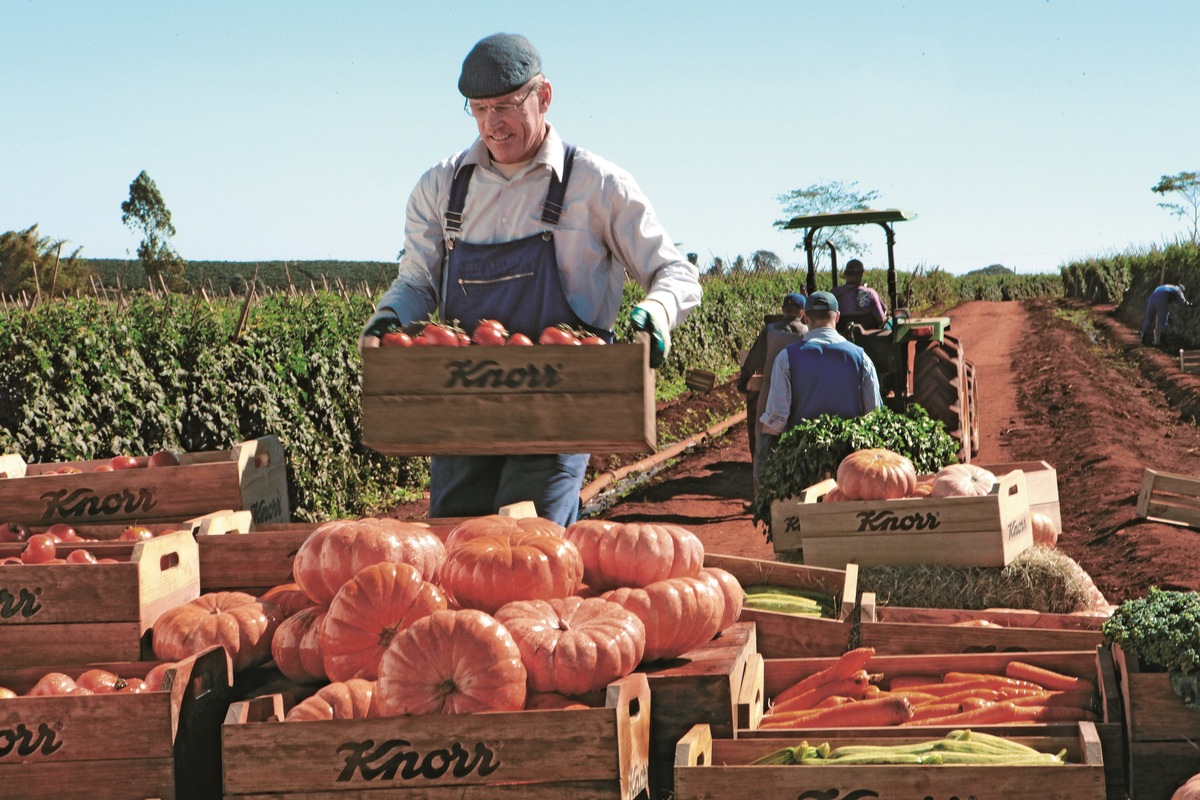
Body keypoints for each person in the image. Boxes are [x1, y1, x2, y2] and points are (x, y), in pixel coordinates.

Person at [358, 33, 702, 527]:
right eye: (477, 109)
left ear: (543, 96)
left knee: (532, 544)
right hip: (463, 404)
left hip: (560, 406)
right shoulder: (441, 186)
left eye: (505, 106)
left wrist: (660, 312)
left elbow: (673, 271)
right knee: (456, 542)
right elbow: (418, 282)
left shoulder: (598, 184)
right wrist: (388, 319)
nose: (491, 124)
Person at [755, 291, 883, 485]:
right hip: (850, 466)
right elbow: (874, 415)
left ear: (805, 317)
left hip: (803, 464)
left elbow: (776, 420)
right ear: (837, 317)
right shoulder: (861, 358)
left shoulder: (786, 358)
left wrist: (765, 465)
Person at [736, 292, 808, 463]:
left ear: (783, 310)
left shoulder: (769, 331)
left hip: (769, 393)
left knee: (763, 441)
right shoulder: (807, 334)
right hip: (797, 394)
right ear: (802, 312)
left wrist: (743, 382)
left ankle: (761, 481)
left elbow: (753, 361)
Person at [831, 258, 887, 331]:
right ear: (861, 274)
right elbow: (881, 319)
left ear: (845, 273)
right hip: (868, 338)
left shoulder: (834, 293)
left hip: (841, 333)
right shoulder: (870, 293)